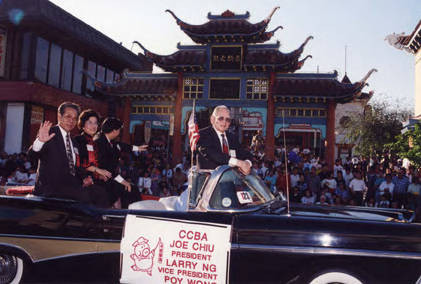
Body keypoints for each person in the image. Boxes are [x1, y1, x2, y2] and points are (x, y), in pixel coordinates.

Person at [28, 102, 89, 202]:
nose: (71, 121)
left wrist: (84, 177)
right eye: (68, 116)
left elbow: (74, 166)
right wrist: (39, 142)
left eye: (74, 118)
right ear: (59, 116)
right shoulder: (49, 133)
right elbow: (32, 156)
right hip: (49, 193)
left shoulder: (73, 141)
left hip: (71, 192)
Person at [95, 117, 147, 208]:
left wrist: (137, 148)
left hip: (111, 177)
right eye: (119, 130)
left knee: (131, 188)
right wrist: (123, 181)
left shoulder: (110, 142)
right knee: (129, 188)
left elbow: (122, 146)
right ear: (115, 130)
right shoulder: (100, 143)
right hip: (102, 179)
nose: (119, 132)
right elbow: (109, 169)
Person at [196, 105, 252, 174]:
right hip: (209, 181)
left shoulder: (233, 137)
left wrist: (247, 163)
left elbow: (245, 153)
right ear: (212, 119)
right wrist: (238, 163)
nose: (224, 122)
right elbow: (214, 154)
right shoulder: (202, 134)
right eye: (221, 118)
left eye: (228, 120)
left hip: (231, 181)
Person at [73, 109, 111, 208]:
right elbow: (80, 163)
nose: (93, 126)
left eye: (95, 123)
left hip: (92, 179)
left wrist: (99, 174)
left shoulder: (94, 143)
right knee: (101, 193)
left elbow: (95, 164)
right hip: (79, 179)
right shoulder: (77, 140)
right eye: (90, 122)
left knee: (114, 187)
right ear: (82, 125)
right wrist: (97, 172)